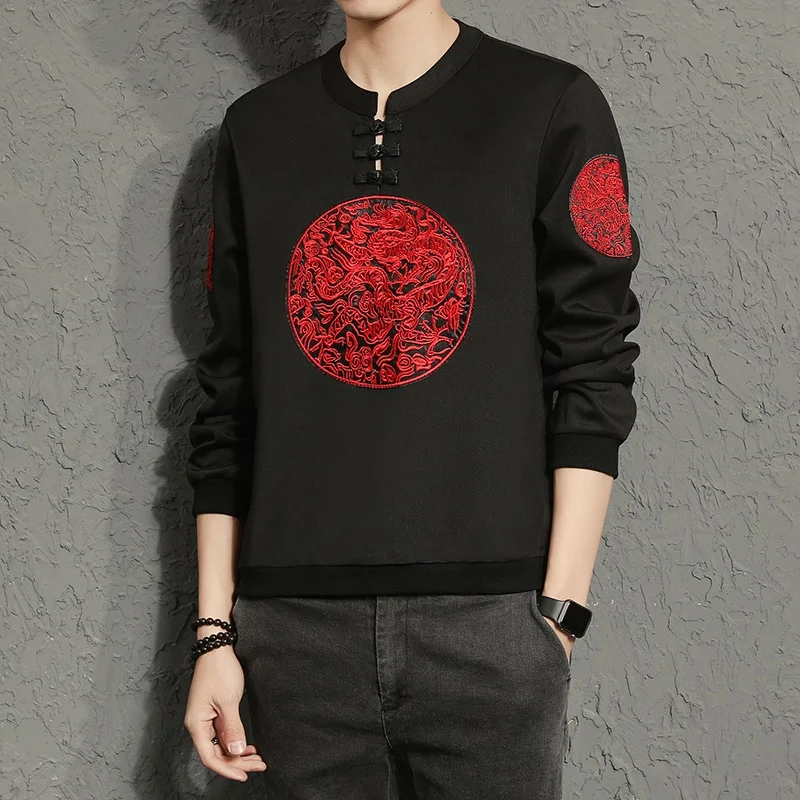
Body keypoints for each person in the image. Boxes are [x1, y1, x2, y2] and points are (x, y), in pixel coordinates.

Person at [182, 1, 641, 797]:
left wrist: (559, 613)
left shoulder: (550, 105)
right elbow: (228, 394)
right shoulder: (256, 131)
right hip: (291, 635)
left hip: (492, 628)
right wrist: (214, 634)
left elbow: (592, 365)